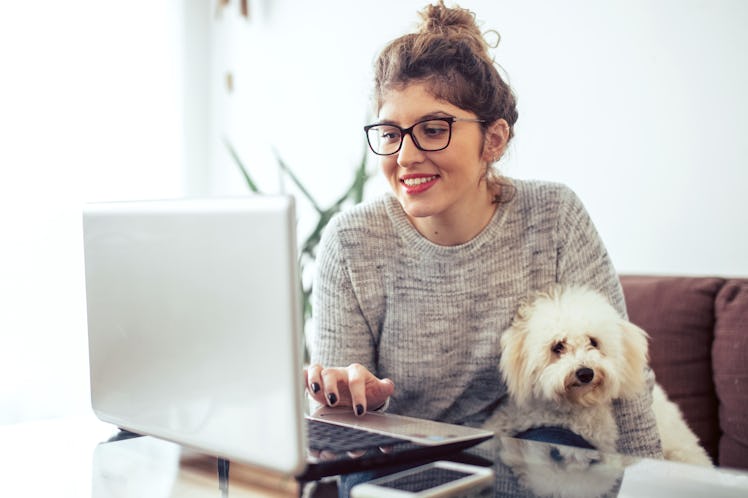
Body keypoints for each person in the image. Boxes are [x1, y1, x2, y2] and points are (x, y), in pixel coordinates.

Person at [304, 0, 662, 482]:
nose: (405, 156)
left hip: (528, 441)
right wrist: (341, 396)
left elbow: (624, 372)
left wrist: (654, 481)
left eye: (433, 129)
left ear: (492, 140)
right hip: (404, 450)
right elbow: (341, 421)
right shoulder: (351, 242)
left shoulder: (554, 216)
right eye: (390, 134)